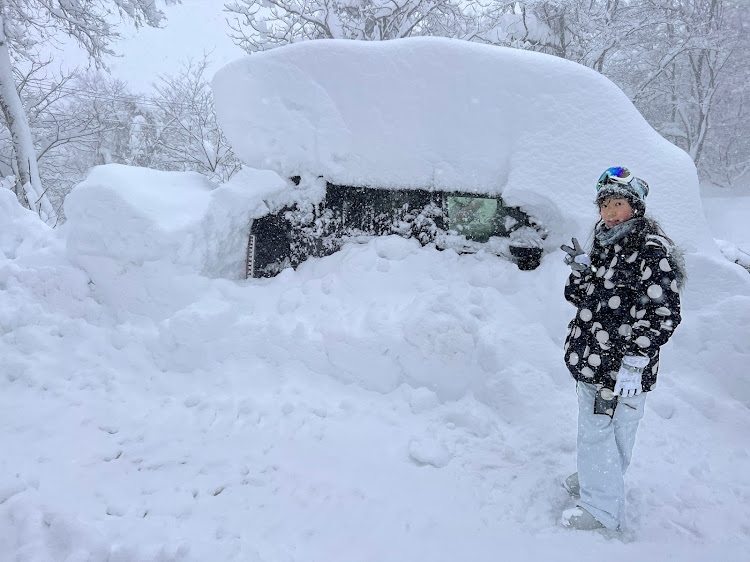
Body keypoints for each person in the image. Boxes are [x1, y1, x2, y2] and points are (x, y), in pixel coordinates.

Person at [559, 166, 685, 531]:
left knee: (605, 429)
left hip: (620, 366)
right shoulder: (606, 243)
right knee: (606, 430)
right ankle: (596, 477)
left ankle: (601, 510)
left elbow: (664, 313)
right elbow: (581, 299)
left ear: (636, 206)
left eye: (617, 203)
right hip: (594, 360)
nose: (610, 212)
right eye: (604, 205)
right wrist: (582, 272)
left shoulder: (649, 250)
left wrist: (634, 360)